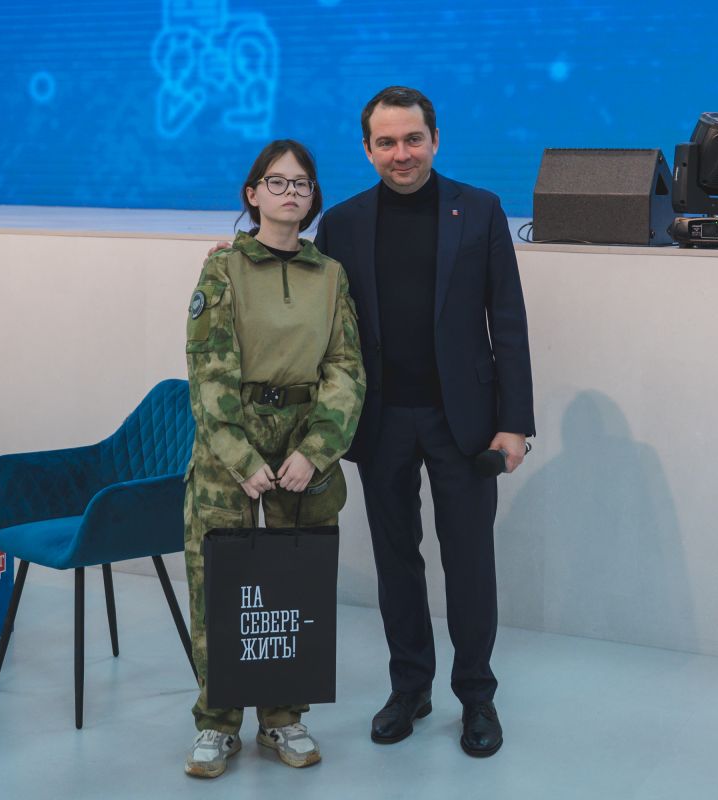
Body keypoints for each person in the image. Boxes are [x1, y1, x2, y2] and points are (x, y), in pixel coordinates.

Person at [315, 86, 534, 758]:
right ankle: (409, 687)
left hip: (463, 422)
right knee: (396, 563)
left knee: (469, 562)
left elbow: (508, 320)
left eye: (413, 139)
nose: (401, 153)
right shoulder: (342, 223)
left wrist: (514, 423)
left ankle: (477, 697)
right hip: (380, 420)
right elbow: (319, 322)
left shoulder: (481, 209)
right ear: (367, 149)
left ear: (435, 140)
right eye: (386, 142)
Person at [183, 139, 365, 778]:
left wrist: (316, 451)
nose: (291, 193)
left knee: (295, 588)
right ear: (253, 193)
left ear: (314, 198)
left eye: (302, 184)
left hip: (302, 444)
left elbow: (345, 368)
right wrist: (239, 455)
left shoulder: (331, 275)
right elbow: (207, 369)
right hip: (230, 443)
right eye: (278, 182)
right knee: (220, 583)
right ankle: (216, 723)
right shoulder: (222, 269)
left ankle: (284, 718)